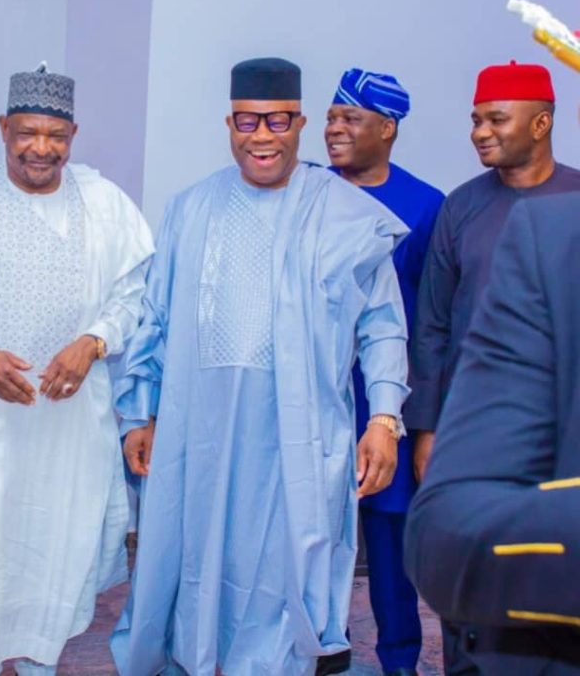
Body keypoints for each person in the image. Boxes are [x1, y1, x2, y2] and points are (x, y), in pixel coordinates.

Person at [111, 57, 410, 676]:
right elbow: (156, 317)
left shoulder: (343, 213)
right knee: (198, 566)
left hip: (299, 439)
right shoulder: (191, 208)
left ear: (299, 123)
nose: (262, 136)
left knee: (286, 574)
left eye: (277, 121)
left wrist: (384, 417)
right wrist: (138, 412)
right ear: (230, 123)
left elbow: (382, 324)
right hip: (203, 434)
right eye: (248, 121)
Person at [0, 63, 154, 676]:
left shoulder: (105, 203)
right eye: (27, 133)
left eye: (56, 136)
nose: (41, 149)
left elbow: (135, 298)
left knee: (56, 543)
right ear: (2, 127)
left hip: (67, 423)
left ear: (73, 135)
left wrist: (94, 341)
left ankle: (37, 664)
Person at [404, 60, 580, 673]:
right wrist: (427, 431)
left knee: (551, 567)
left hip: (562, 432)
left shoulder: (577, 203)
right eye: (476, 120)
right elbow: (431, 327)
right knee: (473, 562)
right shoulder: (461, 209)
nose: (480, 131)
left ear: (542, 122)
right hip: (474, 430)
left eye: (495, 119)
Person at [325, 68, 444, 676]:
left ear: (387, 128)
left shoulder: (427, 207)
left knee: (392, 546)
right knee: (319, 541)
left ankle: (399, 662)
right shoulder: (309, 191)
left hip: (387, 406)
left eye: (350, 119)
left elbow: (431, 318)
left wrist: (414, 420)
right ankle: (325, 653)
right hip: (320, 403)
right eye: (331, 117)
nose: (333, 129)